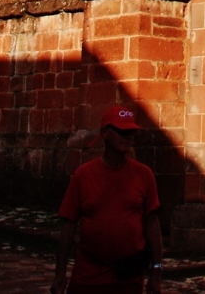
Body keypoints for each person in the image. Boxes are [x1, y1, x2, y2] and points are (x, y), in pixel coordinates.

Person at [51, 105, 163, 294]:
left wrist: (156, 271)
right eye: (122, 131)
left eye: (131, 132)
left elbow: (152, 224)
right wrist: (60, 274)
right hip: (89, 275)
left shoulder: (144, 175)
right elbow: (68, 225)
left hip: (128, 276)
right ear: (105, 133)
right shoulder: (83, 175)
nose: (128, 137)